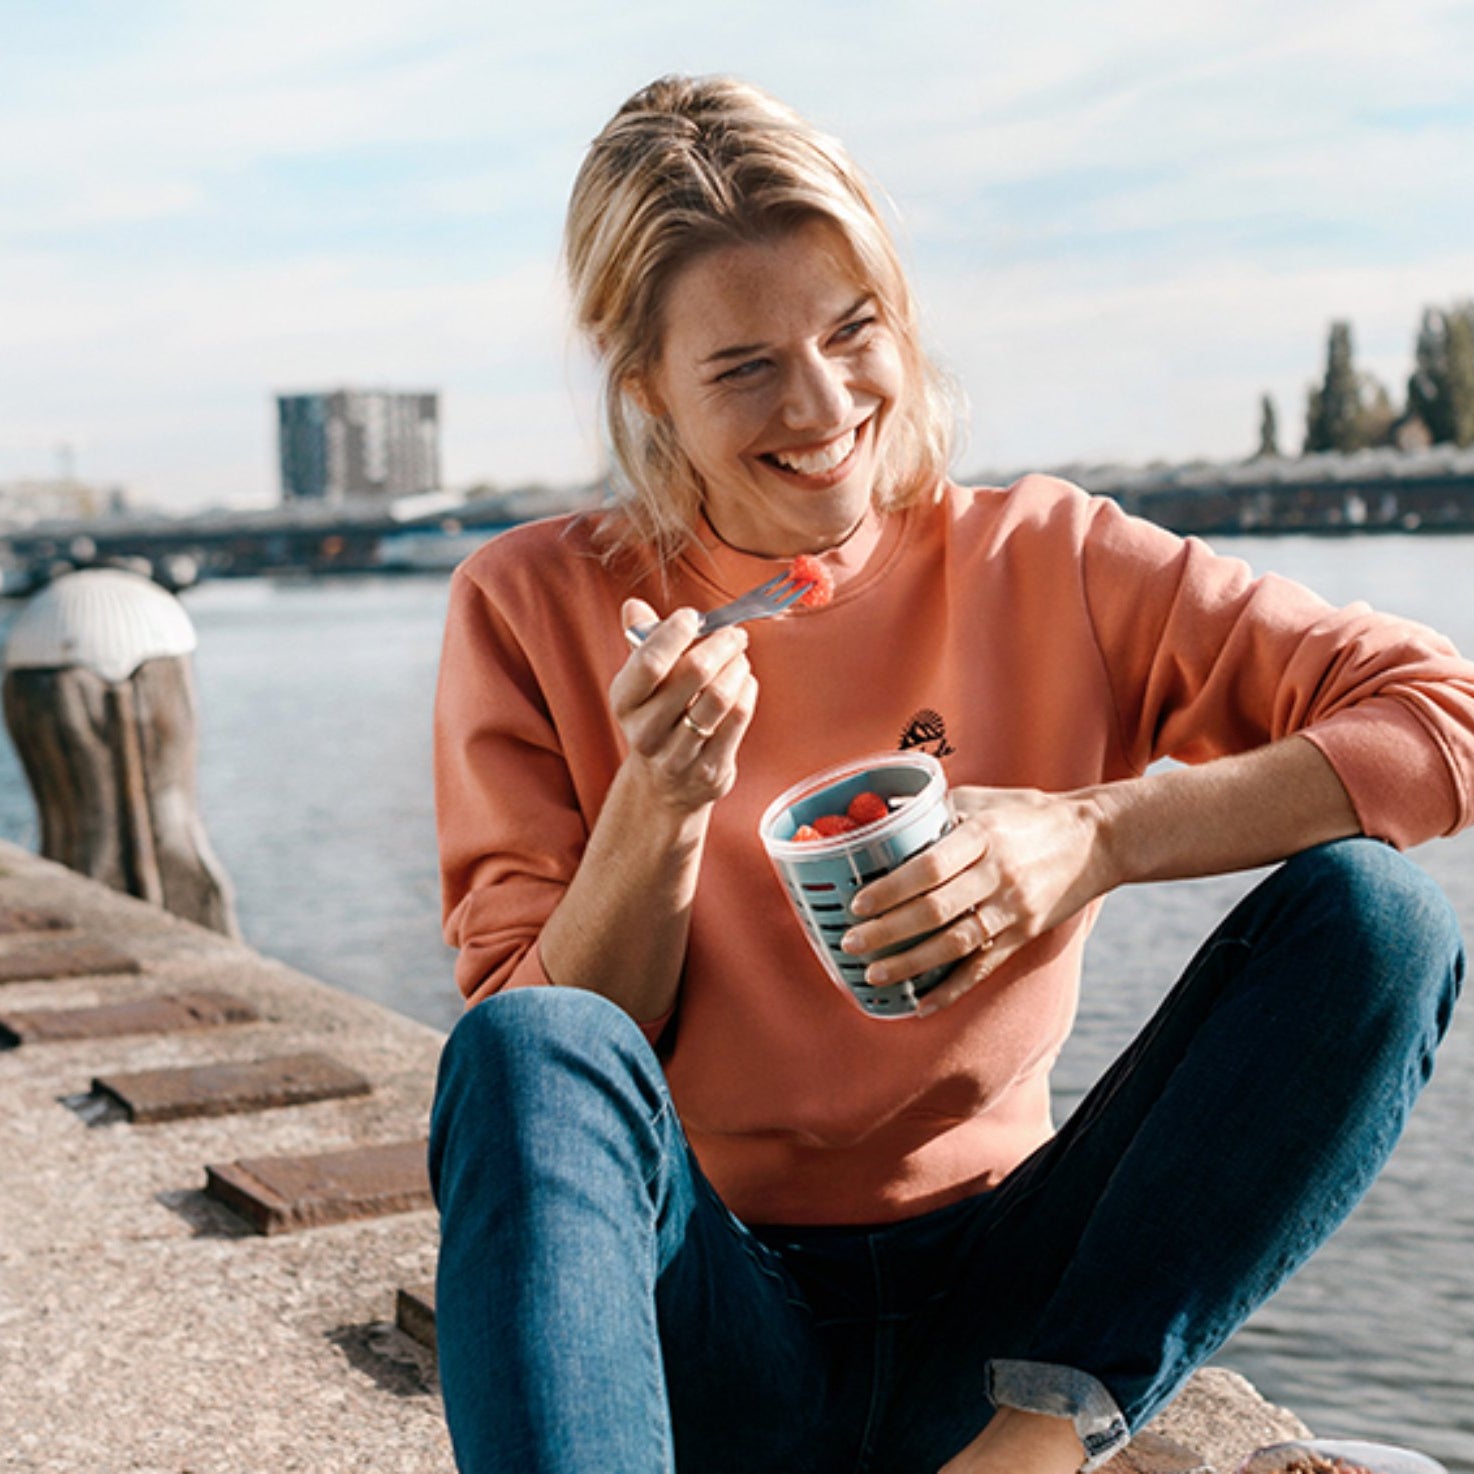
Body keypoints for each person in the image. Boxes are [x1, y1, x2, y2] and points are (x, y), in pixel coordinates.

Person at [428, 75, 1473, 1474]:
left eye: (852, 329)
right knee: (524, 1041)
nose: (821, 402)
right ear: (648, 392)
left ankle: (1031, 1451)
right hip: (702, 1324)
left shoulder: (1047, 559)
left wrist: (1095, 833)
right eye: (742, 367)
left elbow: (1442, 714)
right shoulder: (528, 603)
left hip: (1011, 1325)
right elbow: (540, 1092)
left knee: (1378, 920)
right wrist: (658, 805)